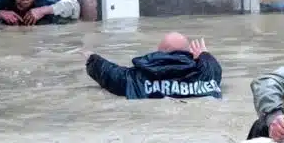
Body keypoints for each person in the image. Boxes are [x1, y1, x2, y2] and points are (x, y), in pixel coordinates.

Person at [84, 32, 223, 99]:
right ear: (190, 54)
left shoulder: (137, 76)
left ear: (158, 54)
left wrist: (93, 60)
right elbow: (214, 71)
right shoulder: (205, 73)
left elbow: (112, 75)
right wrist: (205, 56)